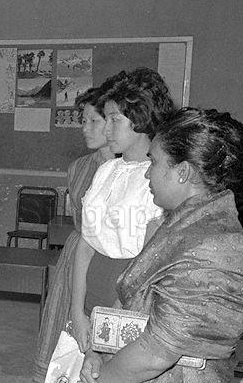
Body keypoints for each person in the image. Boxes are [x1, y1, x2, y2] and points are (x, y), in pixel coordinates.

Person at [80, 107, 243, 383]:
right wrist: (99, 351)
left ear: (182, 172)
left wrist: (100, 378)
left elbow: (155, 352)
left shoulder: (208, 250)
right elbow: (142, 303)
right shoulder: (186, 222)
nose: (148, 172)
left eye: (155, 162)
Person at [70, 67, 174, 351]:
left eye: (114, 120)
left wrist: (113, 317)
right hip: (92, 285)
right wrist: (76, 311)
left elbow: (145, 263)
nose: (106, 129)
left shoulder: (158, 178)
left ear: (140, 120)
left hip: (127, 295)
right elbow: (85, 244)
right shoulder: (107, 171)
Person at [32, 78, 120, 383]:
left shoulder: (136, 169)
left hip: (112, 260)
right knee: (68, 330)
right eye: (83, 121)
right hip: (78, 254)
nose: (85, 128)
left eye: (93, 121)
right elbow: (81, 222)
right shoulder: (80, 167)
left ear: (112, 124)